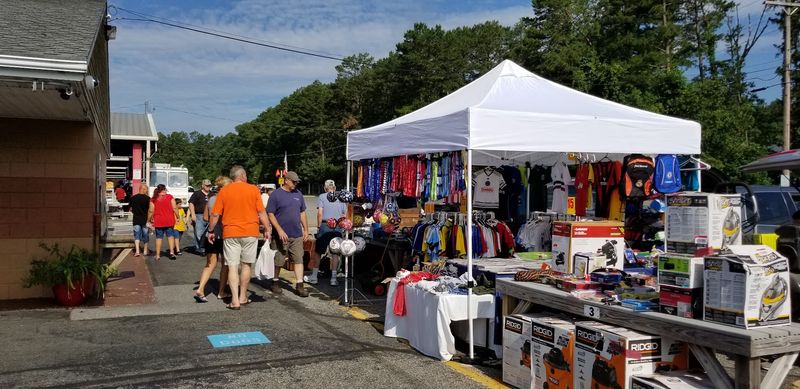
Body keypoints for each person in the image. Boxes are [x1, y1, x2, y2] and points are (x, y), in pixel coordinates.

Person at [207, 166, 272, 309]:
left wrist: (210, 231)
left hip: (231, 233)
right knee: (247, 265)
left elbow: (215, 215)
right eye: (246, 175)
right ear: (242, 175)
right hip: (250, 231)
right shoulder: (254, 190)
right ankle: (243, 297)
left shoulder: (224, 191)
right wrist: (267, 229)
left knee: (232, 266)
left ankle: (235, 300)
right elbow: (261, 212)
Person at [267, 171, 310, 297]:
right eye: (293, 181)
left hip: (296, 234)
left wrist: (306, 229)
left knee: (298, 259)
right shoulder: (276, 195)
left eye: (297, 182)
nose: (295, 184)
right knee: (278, 260)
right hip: (280, 235)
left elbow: (302, 212)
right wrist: (279, 230)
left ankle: (300, 285)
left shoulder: (298, 194)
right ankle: (275, 281)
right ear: (286, 180)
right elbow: (270, 213)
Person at [195, 176, 232, 303]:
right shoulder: (226, 199)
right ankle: (221, 292)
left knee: (210, 264)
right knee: (225, 265)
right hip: (224, 235)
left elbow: (205, 217)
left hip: (210, 235)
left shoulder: (211, 199)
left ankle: (200, 288)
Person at [309, 179, 346, 286]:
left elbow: (320, 213)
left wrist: (319, 225)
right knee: (335, 252)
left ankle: (314, 276)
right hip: (338, 226)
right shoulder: (340, 197)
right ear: (334, 188)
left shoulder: (322, 196)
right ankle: (333, 278)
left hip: (325, 225)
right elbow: (344, 215)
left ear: (325, 188)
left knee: (318, 251)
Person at [149, 184, 180, 260]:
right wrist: (178, 216)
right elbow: (175, 207)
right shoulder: (170, 197)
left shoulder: (153, 199)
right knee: (170, 236)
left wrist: (149, 219)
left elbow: (151, 211)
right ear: (164, 189)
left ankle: (158, 255)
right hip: (169, 220)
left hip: (159, 221)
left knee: (159, 238)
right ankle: (172, 253)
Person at [188, 179, 212, 255]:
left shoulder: (212, 194)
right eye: (206, 185)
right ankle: (200, 248)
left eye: (209, 185)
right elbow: (191, 204)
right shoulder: (197, 194)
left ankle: (205, 247)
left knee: (208, 233)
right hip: (199, 215)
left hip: (210, 216)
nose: (208, 187)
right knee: (199, 233)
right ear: (202, 186)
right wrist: (193, 214)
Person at [129, 184, 151, 257]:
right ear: (143, 189)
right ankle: (145, 250)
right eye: (146, 189)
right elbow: (150, 210)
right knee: (145, 235)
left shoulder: (133, 198)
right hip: (145, 220)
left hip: (136, 219)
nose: (147, 191)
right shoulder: (148, 199)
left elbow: (131, 209)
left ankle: (137, 251)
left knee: (137, 235)